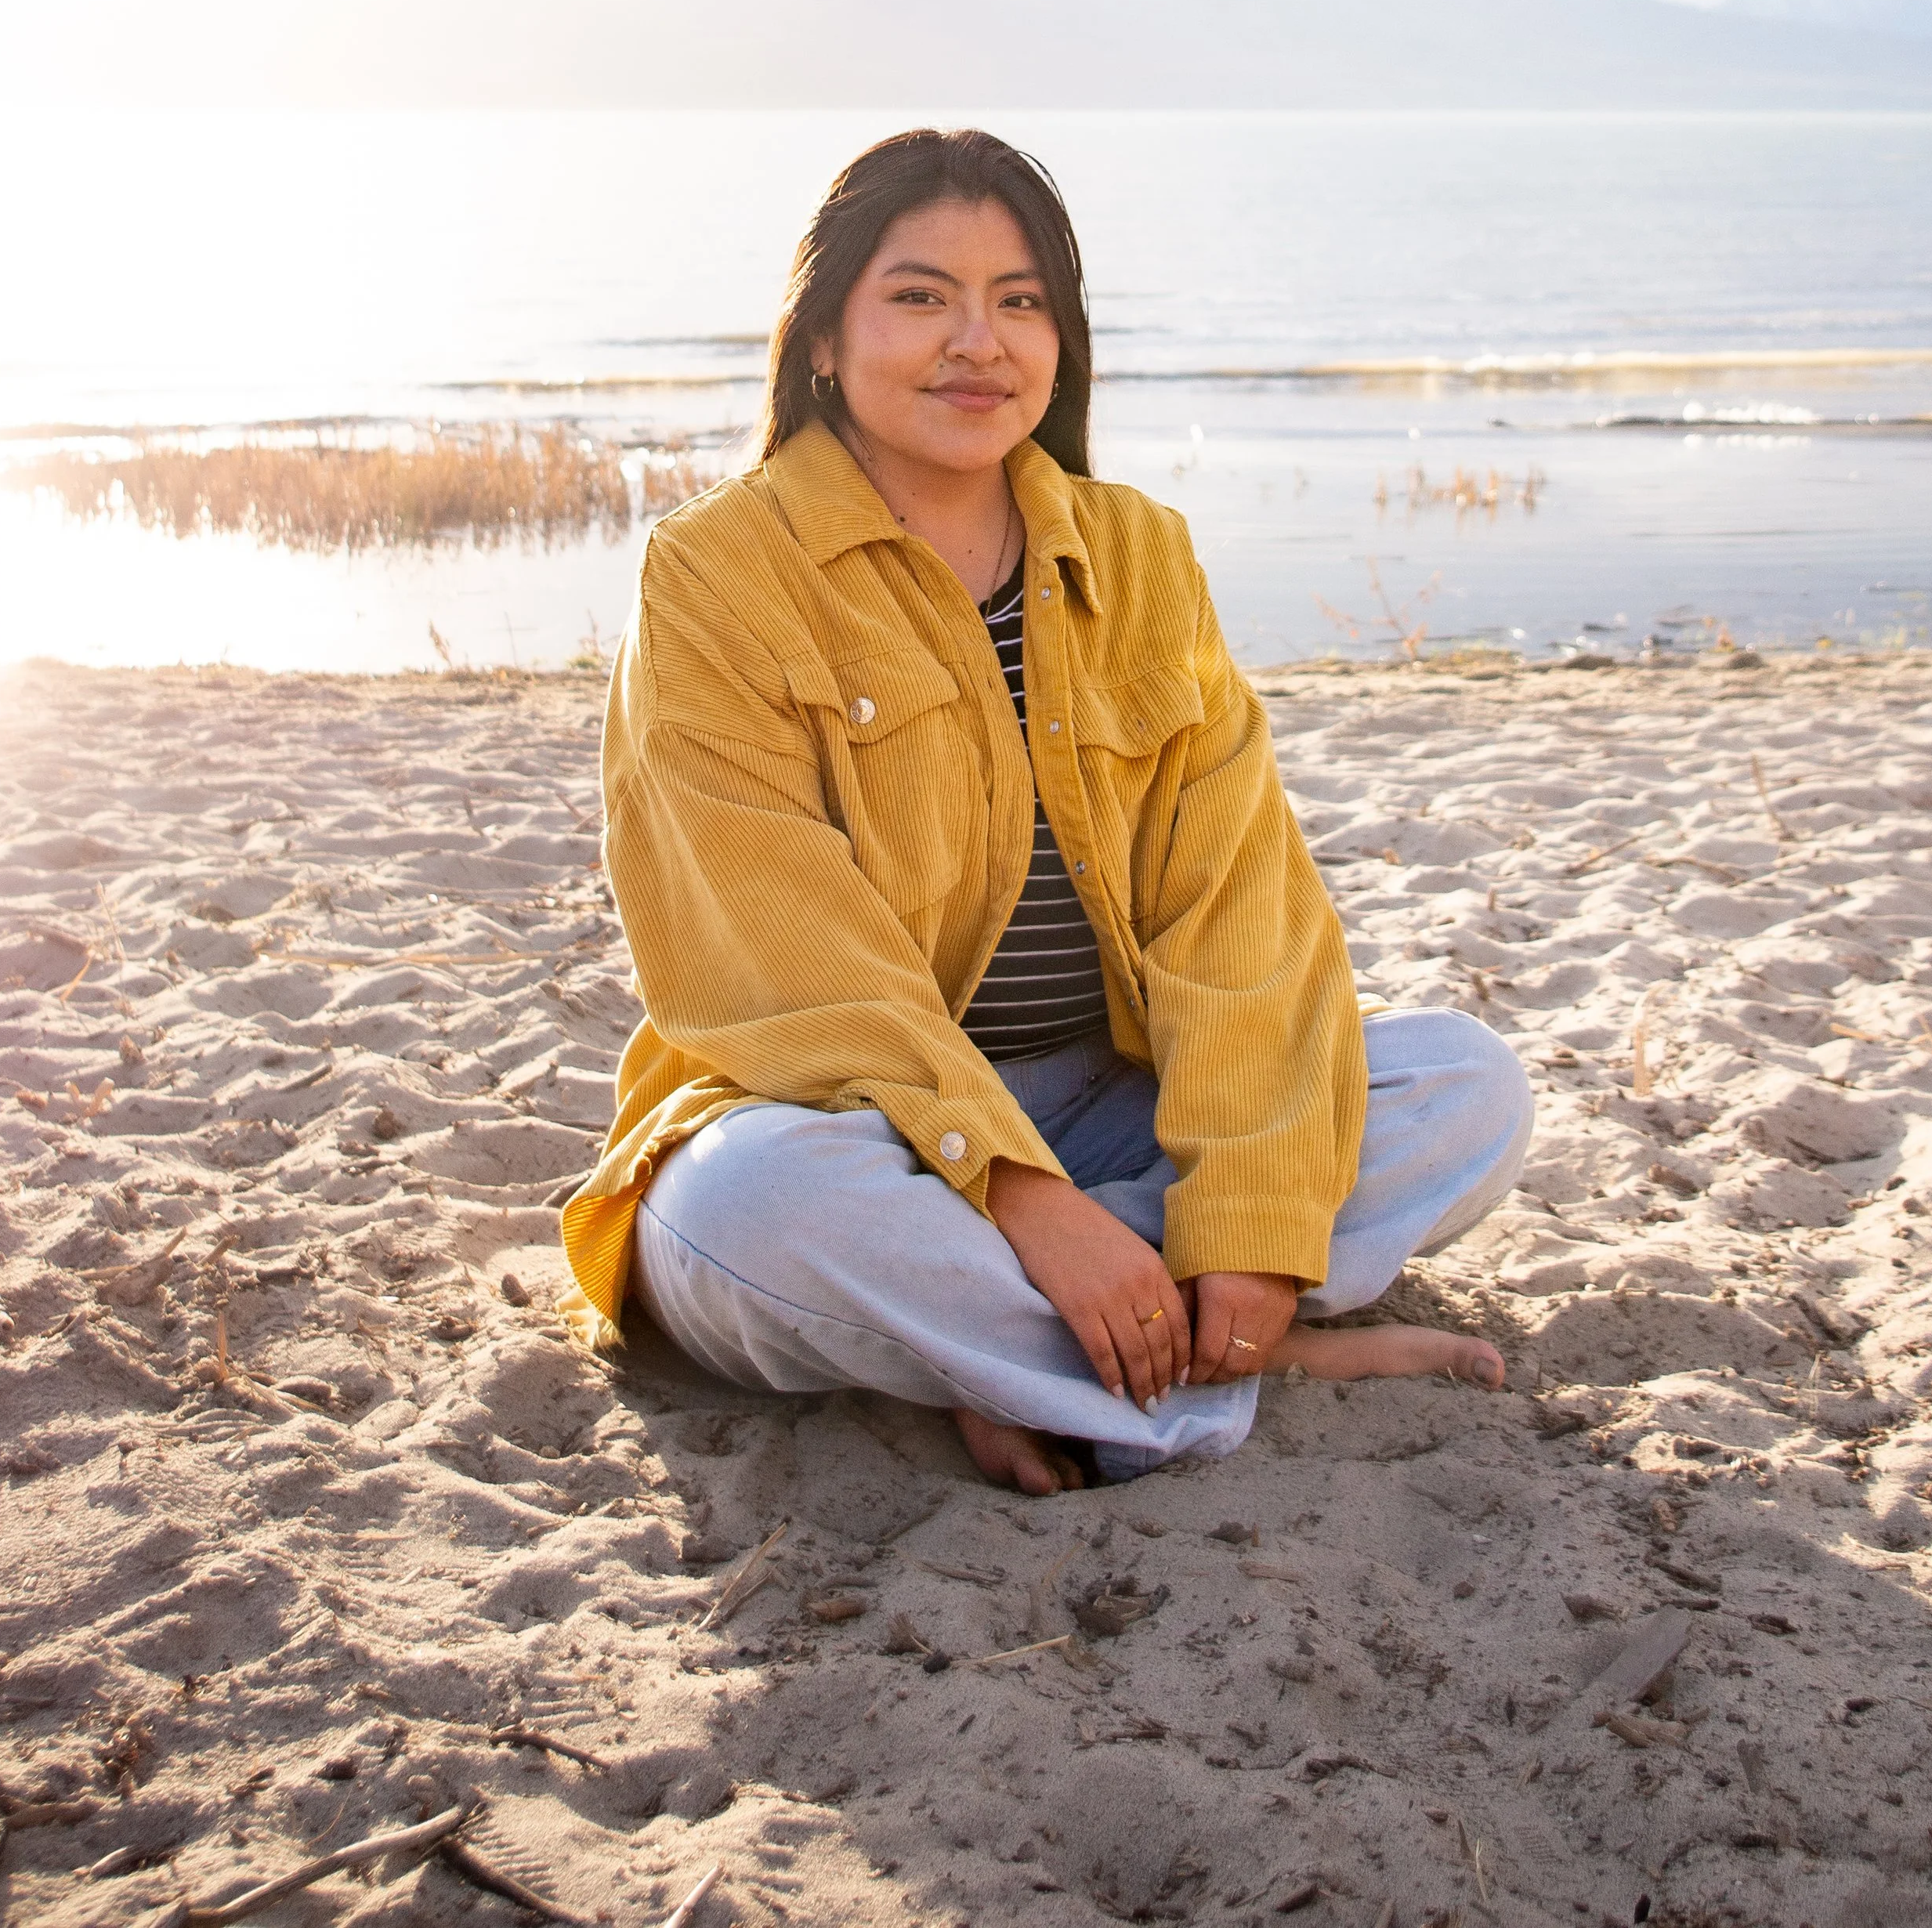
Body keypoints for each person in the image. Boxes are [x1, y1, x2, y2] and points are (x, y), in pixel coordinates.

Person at [562, 129, 1532, 1492]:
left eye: (1020, 301)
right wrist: (1016, 1200)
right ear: (825, 339)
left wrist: (1246, 1226)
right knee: (740, 1214)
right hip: (848, 1123)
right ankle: (1200, 1360)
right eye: (921, 296)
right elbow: (782, 956)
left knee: (1465, 1086)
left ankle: (1017, 1350)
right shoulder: (718, 573)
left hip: (1106, 1094)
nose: (979, 341)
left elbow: (1237, 905)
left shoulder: (1139, 552)